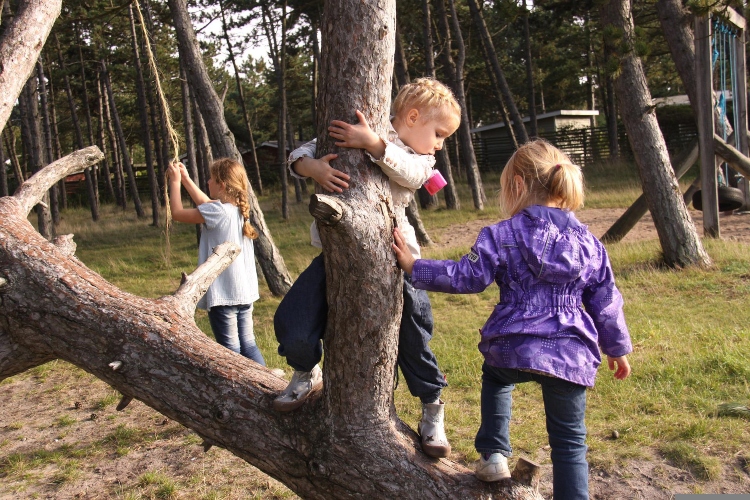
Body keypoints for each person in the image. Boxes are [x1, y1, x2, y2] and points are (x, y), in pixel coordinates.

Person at [392, 139, 632, 498]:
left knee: (496, 379)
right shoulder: (591, 244)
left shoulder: (502, 235)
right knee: (570, 442)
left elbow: (465, 276)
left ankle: (493, 454)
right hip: (570, 353)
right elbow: (606, 301)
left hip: (512, 345)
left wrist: (415, 267)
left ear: (518, 186)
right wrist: (617, 348)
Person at [273, 78, 461, 458]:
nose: (440, 144)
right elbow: (300, 153)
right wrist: (312, 168)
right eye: (439, 133)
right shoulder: (367, 126)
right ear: (413, 116)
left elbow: (413, 175)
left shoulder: (420, 157)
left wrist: (374, 145)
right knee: (293, 320)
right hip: (339, 253)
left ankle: (431, 406)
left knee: (413, 335)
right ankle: (305, 369)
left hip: (397, 261)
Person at [167, 158, 267, 366]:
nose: (207, 182)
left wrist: (174, 182)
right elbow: (206, 204)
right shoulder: (236, 210)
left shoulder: (218, 212)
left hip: (223, 296)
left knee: (230, 352)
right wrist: (186, 179)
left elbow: (177, 213)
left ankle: (240, 391)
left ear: (221, 185)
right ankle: (267, 386)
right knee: (249, 346)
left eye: (211, 179)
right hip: (243, 293)